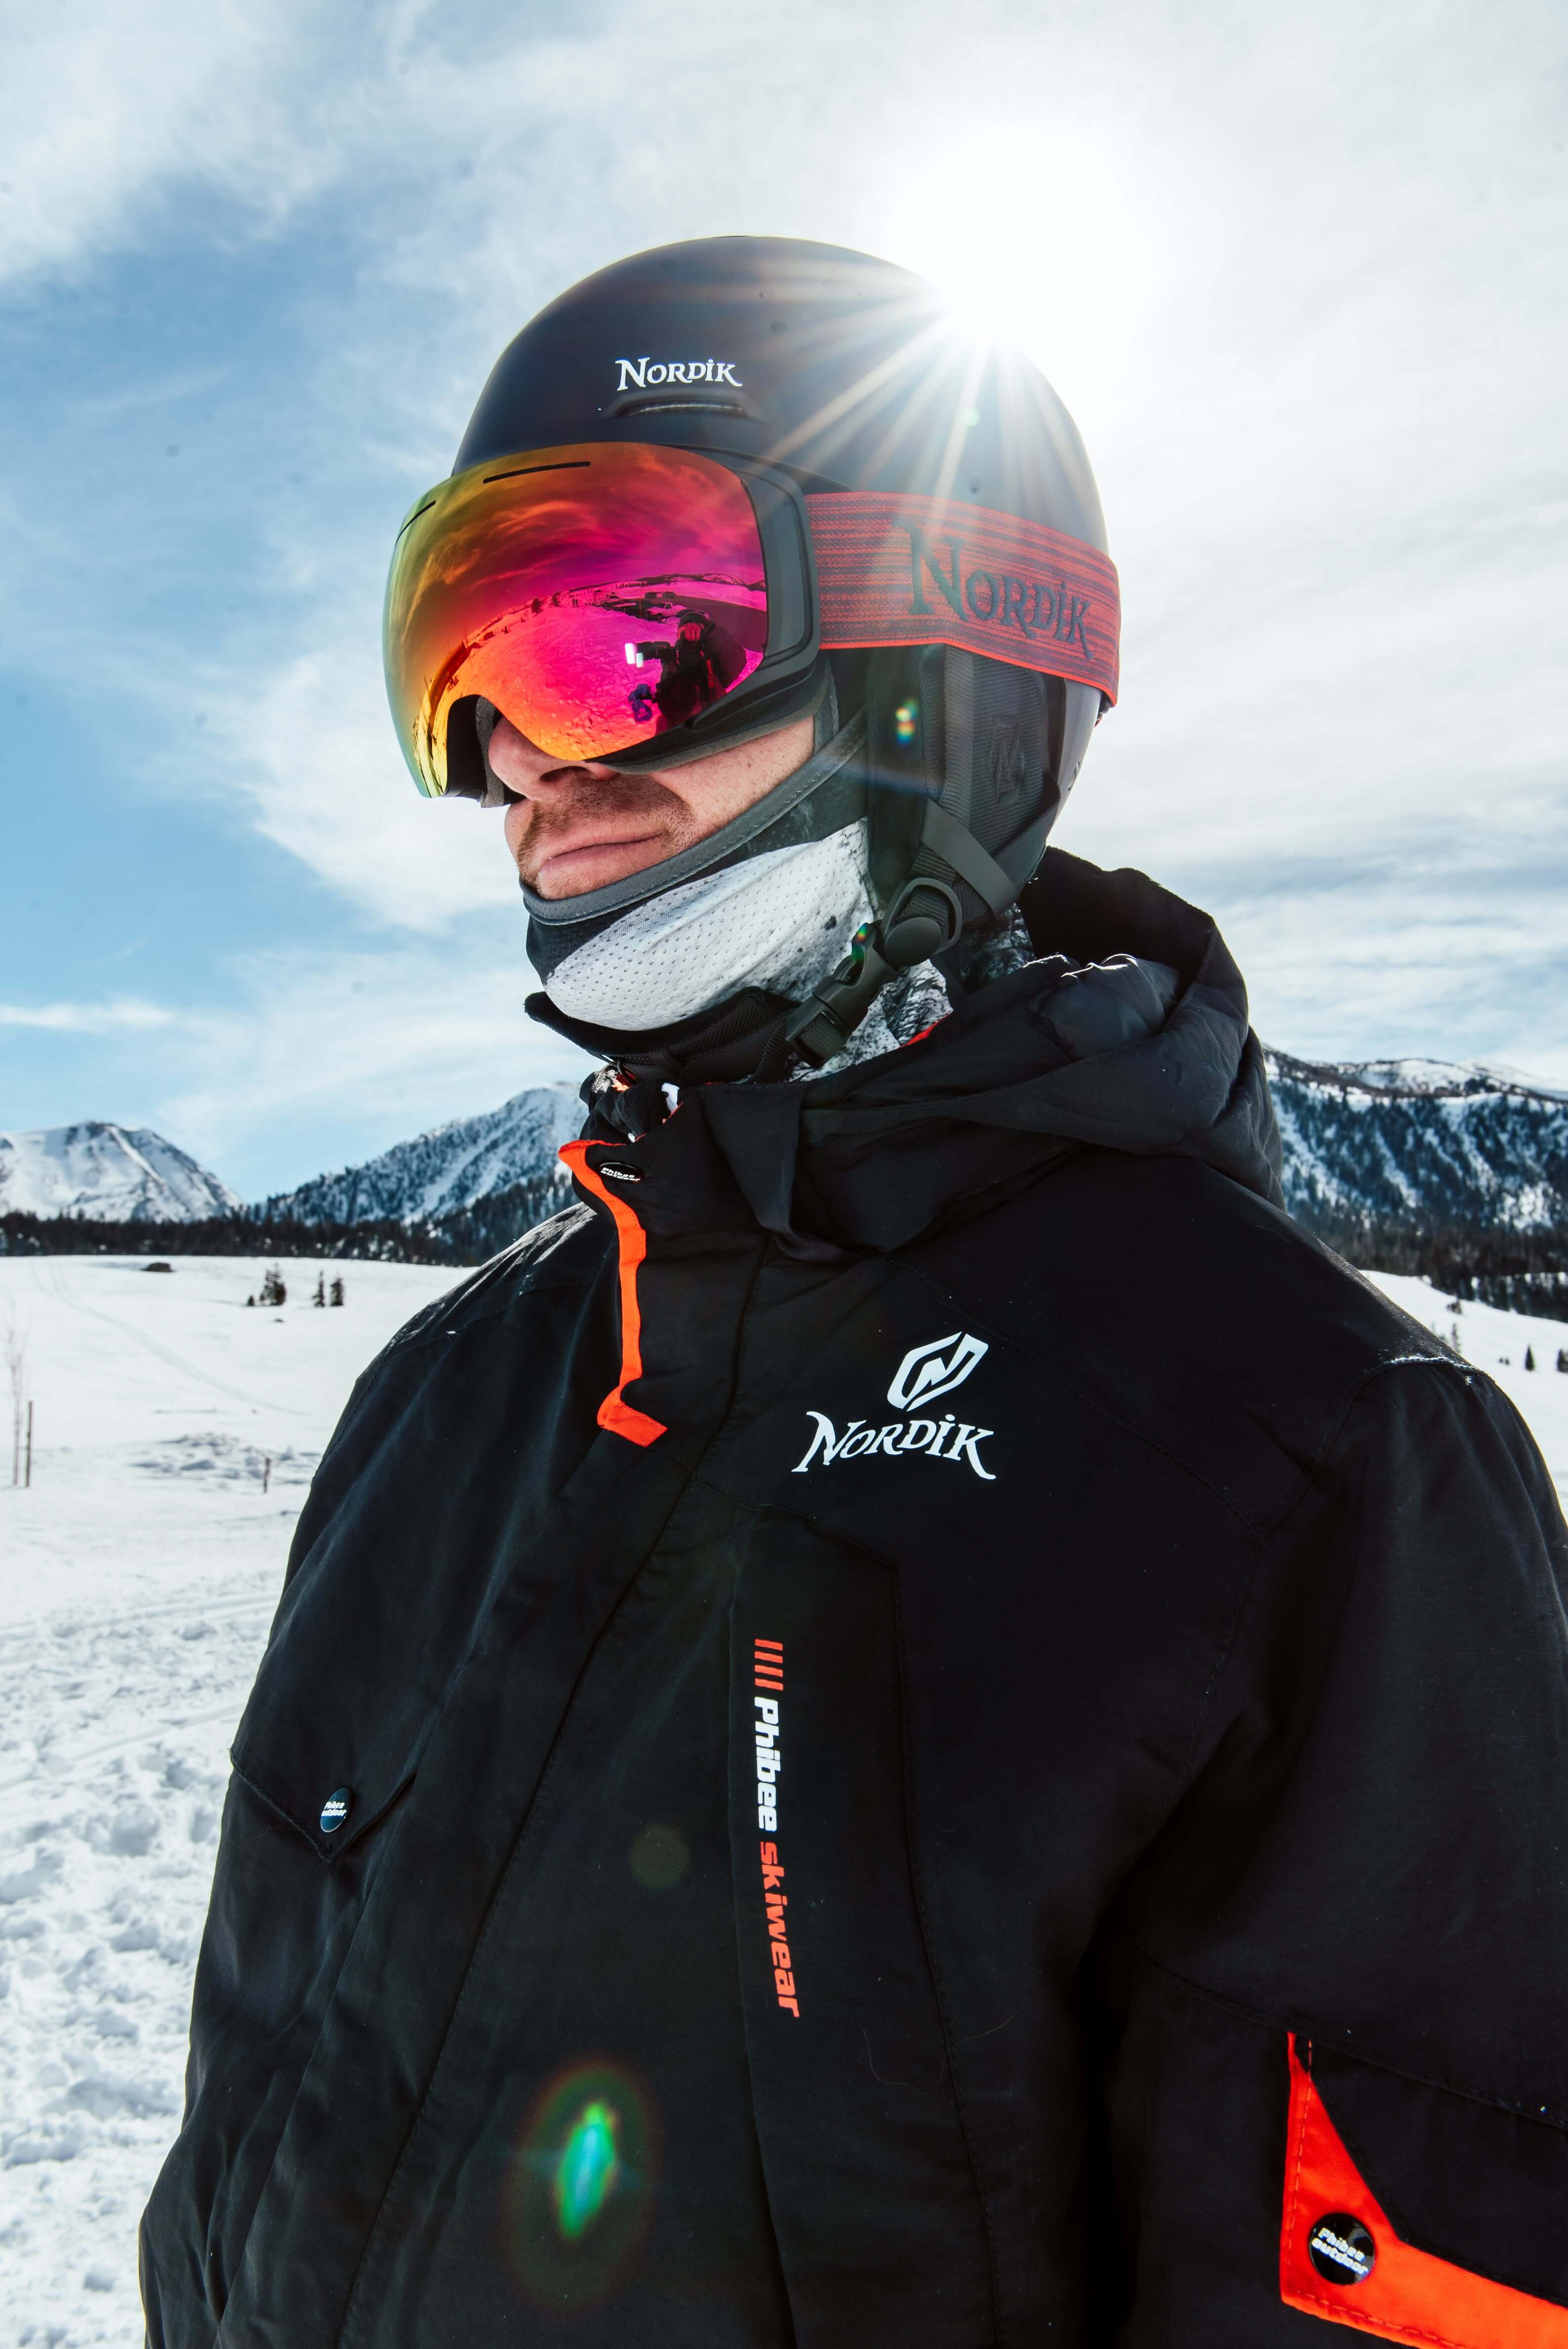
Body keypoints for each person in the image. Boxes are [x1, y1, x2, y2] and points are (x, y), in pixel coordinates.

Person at [141, 238, 1568, 2347]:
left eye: (627, 639)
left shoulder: (1308, 1460)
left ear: (943, 670)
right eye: (465, 663)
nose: (517, 757)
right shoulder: (458, 1383)